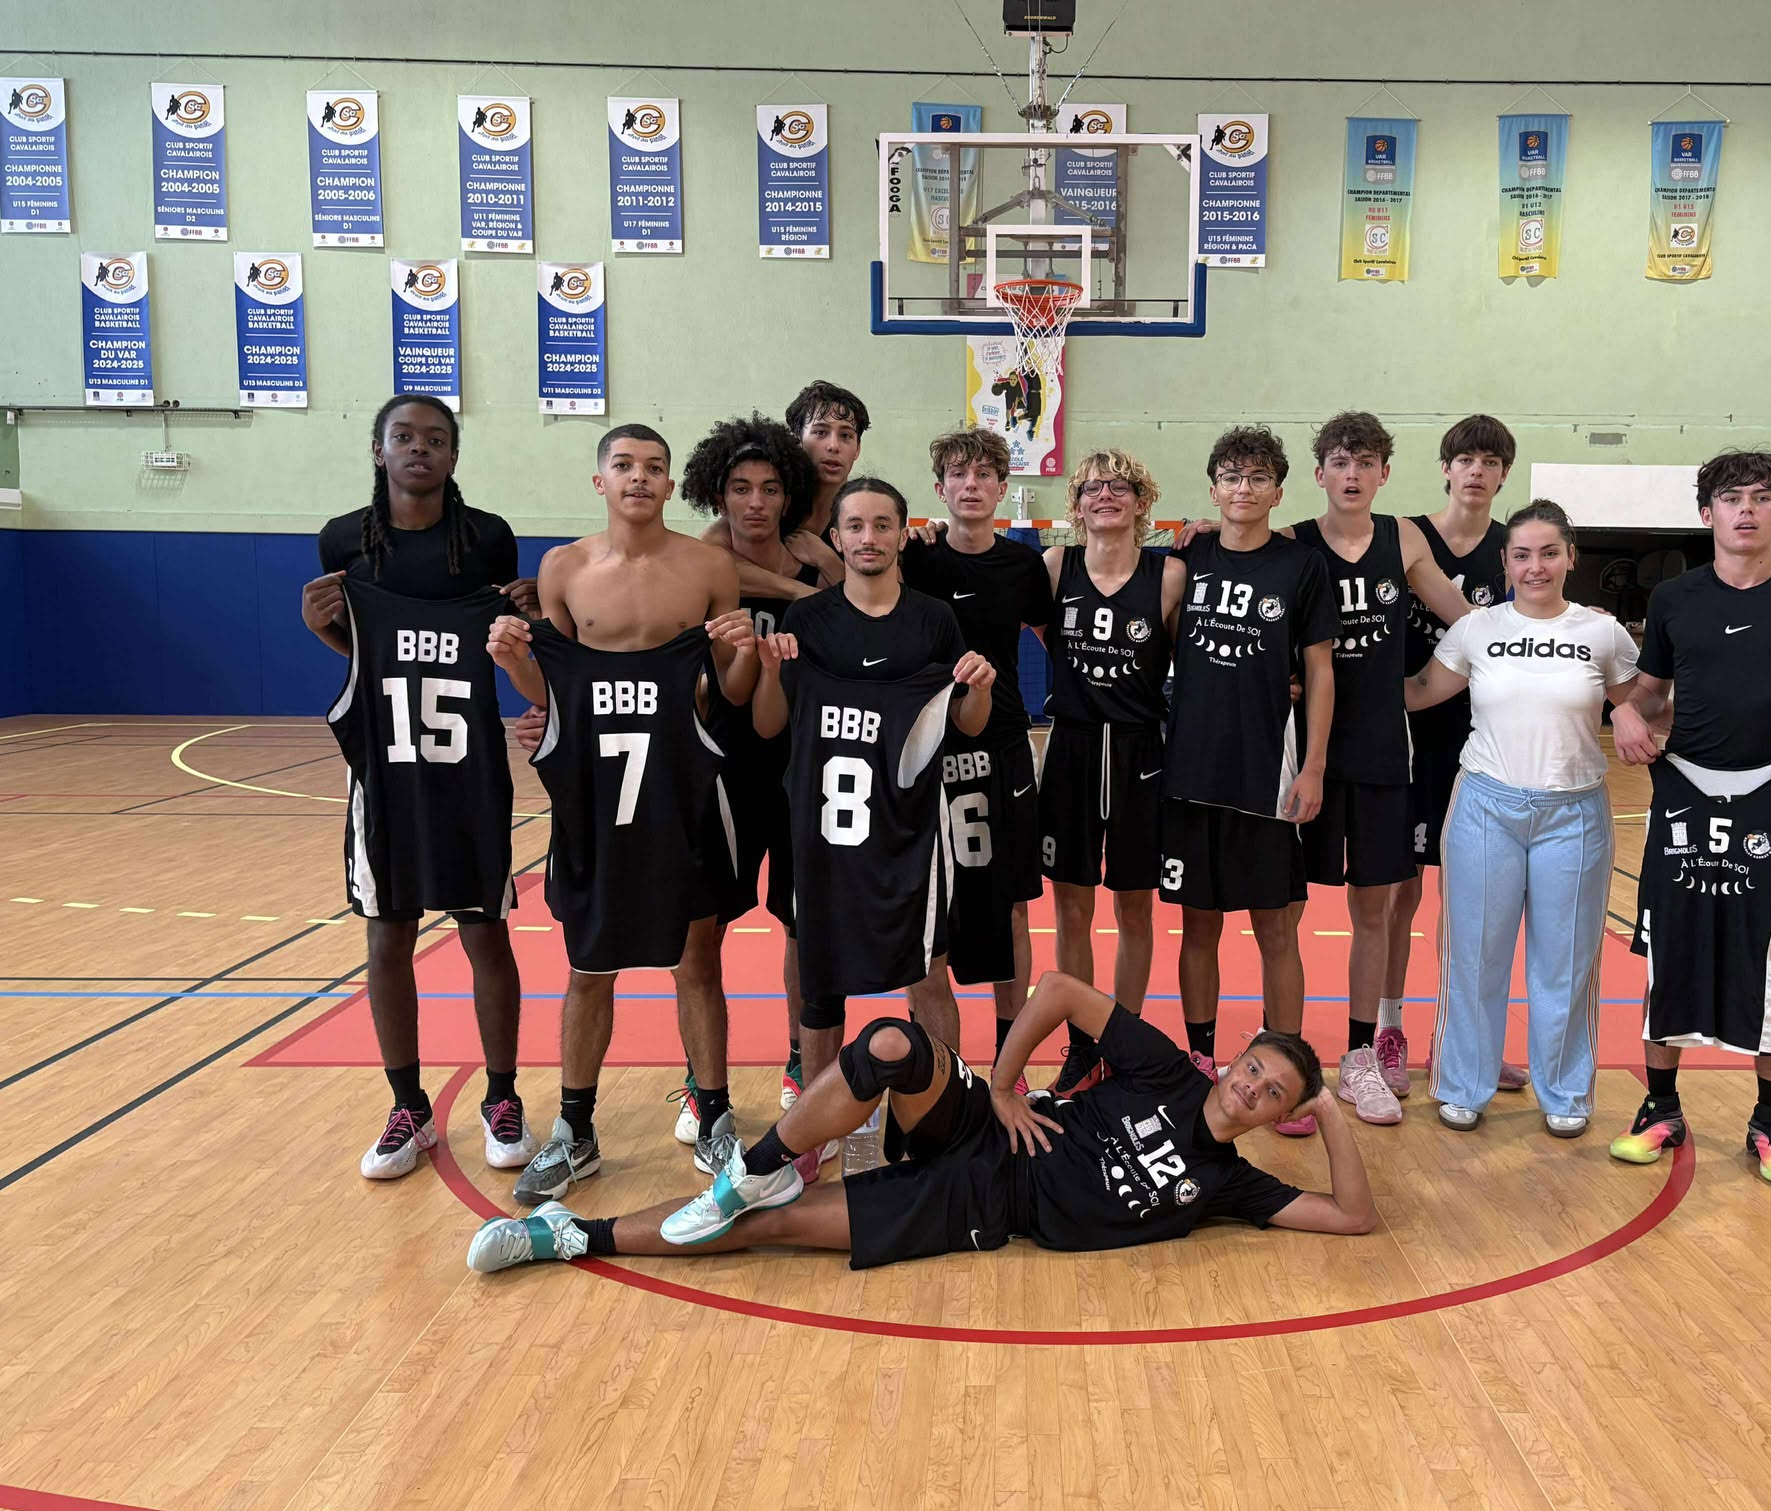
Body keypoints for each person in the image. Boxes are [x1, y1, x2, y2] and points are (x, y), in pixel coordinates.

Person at [465, 970, 1376, 1275]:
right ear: (1235, 1059)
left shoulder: (1233, 1185)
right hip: (990, 1126)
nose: (1251, 1089)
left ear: (1278, 1117)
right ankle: (757, 1163)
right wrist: (1007, 1086)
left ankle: (564, 1235)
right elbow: (1060, 989)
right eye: (1254, 1068)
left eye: (1273, 1095)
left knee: (775, 1231)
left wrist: (1328, 1103)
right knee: (893, 1043)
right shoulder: (1167, 1070)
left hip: (984, 1205)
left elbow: (1352, 1217)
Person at [486, 424, 758, 1204]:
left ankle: (713, 1115)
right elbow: (556, 691)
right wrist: (514, 664)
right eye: (625, 465)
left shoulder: (709, 567)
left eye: (655, 467)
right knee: (587, 966)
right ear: (599, 480)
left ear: (671, 486)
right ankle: (575, 1130)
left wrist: (741, 650)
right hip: (595, 796)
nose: (640, 477)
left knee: (697, 962)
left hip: (683, 789)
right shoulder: (563, 568)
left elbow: (729, 695)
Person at [1608, 449, 1771, 1187]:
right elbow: (1650, 691)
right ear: (1706, 513)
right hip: (1685, 790)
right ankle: (1660, 1107)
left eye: (1761, 497)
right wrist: (1623, 712)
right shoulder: (1675, 599)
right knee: (1669, 949)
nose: (1745, 510)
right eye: (1730, 498)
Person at [303, 394, 539, 1181]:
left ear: (454, 456)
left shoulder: (487, 541)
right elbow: (365, 652)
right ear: (378, 449)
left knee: (486, 934)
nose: (419, 449)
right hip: (386, 775)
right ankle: (408, 1106)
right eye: (403, 436)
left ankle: (501, 1095)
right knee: (388, 936)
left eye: (436, 439)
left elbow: (499, 640)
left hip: (469, 773)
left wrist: (526, 618)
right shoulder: (345, 542)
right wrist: (321, 627)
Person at [751, 476, 997, 1181]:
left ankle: (944, 1112)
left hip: (911, 831)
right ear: (836, 537)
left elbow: (964, 724)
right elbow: (768, 726)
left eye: (882, 525)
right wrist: (767, 671)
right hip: (821, 833)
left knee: (928, 971)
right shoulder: (808, 622)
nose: (868, 538)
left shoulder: (933, 621)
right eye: (854, 526)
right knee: (820, 982)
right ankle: (813, 1127)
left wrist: (977, 687)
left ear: (900, 534)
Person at [1403, 501, 1641, 1134]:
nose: (1535, 567)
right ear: (1505, 563)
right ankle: (1463, 1084)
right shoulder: (1476, 628)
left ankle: (1564, 1093)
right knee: (1474, 958)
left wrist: (1650, 709)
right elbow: (1419, 691)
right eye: (1522, 555)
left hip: (1575, 813)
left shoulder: (1603, 633)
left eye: (1548, 553)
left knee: (1566, 963)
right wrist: (1330, 684)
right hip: (1486, 807)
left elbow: (1642, 705)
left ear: (1570, 558)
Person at [1288, 413, 1473, 1127]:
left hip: (1381, 749)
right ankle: (1285, 1051)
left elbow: (1466, 621)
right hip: (1304, 753)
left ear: (1385, 474)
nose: (1353, 474)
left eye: (1366, 462)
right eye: (1340, 462)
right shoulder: (1294, 544)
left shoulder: (1403, 539)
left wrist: (1541, 628)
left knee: (1372, 910)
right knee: (1284, 909)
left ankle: (1360, 1055)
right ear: (1320, 473)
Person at [1164, 426, 1336, 1137]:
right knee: (1198, 927)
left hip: (1269, 776)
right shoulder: (1188, 556)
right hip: (1190, 775)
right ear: (1213, 489)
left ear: (1278, 491)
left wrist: (1315, 764)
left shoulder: (1300, 566)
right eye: (1232, 476)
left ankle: (1284, 1076)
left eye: (1258, 477)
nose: (1244, 488)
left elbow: (1320, 670)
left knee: (1276, 929)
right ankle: (1200, 1060)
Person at [667, 415, 823, 1140]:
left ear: (789, 494)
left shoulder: (818, 558)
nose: (755, 501)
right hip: (718, 766)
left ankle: (799, 1059)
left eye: (769, 488)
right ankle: (703, 1085)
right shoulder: (701, 559)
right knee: (701, 933)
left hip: (802, 766)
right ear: (717, 493)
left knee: (801, 926)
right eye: (739, 487)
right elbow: (724, 573)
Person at [1382, 415, 1530, 1104]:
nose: (1476, 471)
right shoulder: (1406, 536)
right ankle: (1387, 1031)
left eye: (1489, 461)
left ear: (1504, 474)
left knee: (1471, 902)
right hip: (1405, 733)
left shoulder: (1514, 550)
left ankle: (1463, 1042)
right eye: (1465, 459)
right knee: (1398, 894)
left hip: (1483, 744)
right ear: (1445, 468)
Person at [902, 429, 1054, 1072]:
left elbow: (1057, 642)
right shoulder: (915, 558)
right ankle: (938, 1070)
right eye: (959, 475)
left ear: (1002, 487)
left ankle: (1007, 1061)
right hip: (923, 745)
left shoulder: (1022, 565)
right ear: (940, 489)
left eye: (984, 474)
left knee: (1012, 903)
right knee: (923, 906)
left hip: (1002, 746)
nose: (972, 484)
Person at [1038, 450, 1183, 1092]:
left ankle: (1124, 1044)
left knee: (1134, 906)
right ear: (1076, 505)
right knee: (1071, 908)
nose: (1106, 496)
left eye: (1119, 487)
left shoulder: (1169, 574)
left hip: (1138, 752)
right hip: (1071, 747)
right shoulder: (1054, 566)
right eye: (1093, 488)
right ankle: (1080, 1041)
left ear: (1141, 501)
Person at [700, 380, 865, 595]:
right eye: (820, 432)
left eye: (845, 436)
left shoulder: (862, 510)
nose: (833, 446)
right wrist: (798, 591)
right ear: (797, 440)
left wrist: (827, 560)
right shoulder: (771, 497)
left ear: (857, 449)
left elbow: (884, 596)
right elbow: (706, 554)